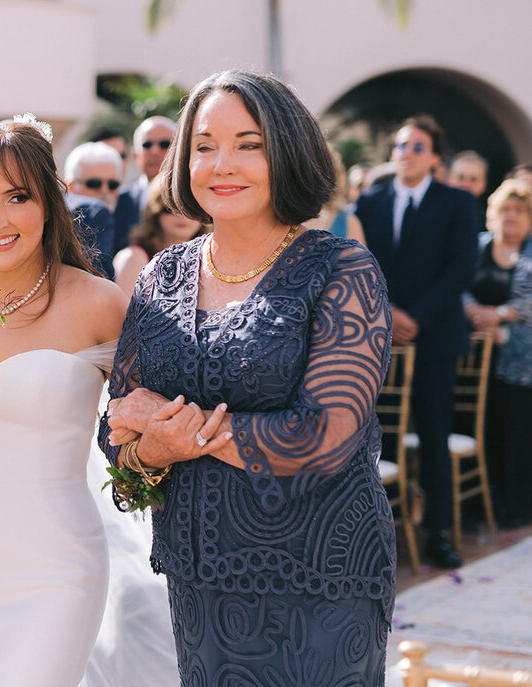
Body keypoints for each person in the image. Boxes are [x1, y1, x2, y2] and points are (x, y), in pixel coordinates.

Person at [101, 70, 397, 685]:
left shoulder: (340, 269)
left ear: (286, 150)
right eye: (205, 145)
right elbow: (118, 439)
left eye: (249, 143)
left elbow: (322, 438)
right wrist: (155, 441)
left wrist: (175, 428)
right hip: (199, 581)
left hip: (320, 580)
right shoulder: (161, 275)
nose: (221, 163)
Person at [0, 115, 139, 686]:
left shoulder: (100, 303)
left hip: (59, 563)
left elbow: (146, 422)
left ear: (47, 202)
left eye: (16, 197)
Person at [355, 114, 478, 570]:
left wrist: (416, 317)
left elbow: (460, 268)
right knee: (372, 435)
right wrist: (387, 314)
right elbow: (361, 264)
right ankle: (377, 534)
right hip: (376, 339)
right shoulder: (369, 203)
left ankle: (438, 534)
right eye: (401, 145)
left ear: (435, 157)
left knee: (432, 434)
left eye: (417, 146)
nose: (406, 153)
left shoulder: (457, 203)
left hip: (436, 338)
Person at [462, 179, 532, 528]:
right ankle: (477, 505)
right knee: (481, 429)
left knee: (517, 432)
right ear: (492, 214)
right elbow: (459, 285)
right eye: (505, 209)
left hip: (520, 361)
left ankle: (515, 505)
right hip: (474, 357)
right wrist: (475, 312)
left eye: (520, 211)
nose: (511, 217)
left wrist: (500, 315)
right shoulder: (478, 247)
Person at [112, 184, 204, 295]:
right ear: (155, 211)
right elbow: (123, 311)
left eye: (190, 208)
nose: (181, 215)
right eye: (171, 208)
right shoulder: (133, 258)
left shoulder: (208, 258)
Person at [115, 115, 176, 248]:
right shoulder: (118, 201)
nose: (154, 151)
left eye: (164, 144)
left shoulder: (195, 195)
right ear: (135, 155)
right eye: (147, 145)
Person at [62, 140, 121, 278]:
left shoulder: (128, 214)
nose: (105, 191)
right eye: (94, 183)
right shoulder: (97, 215)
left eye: (112, 184)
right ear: (70, 187)